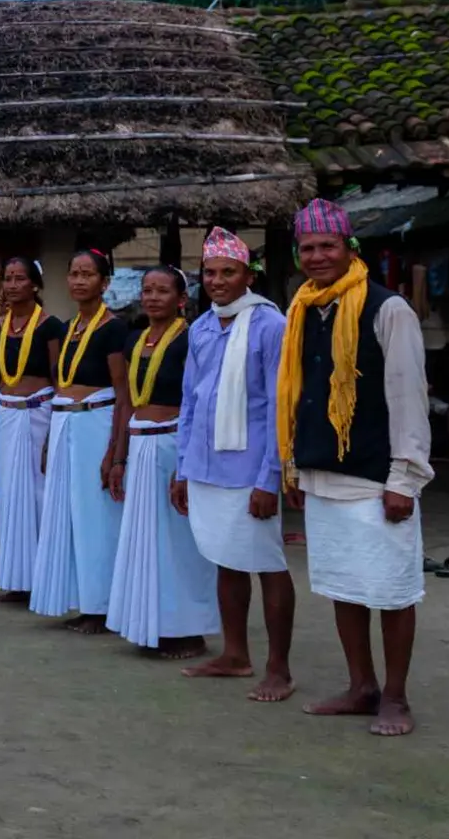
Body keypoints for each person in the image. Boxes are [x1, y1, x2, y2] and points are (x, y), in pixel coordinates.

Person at [279, 198, 431, 737]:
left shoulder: (388, 309)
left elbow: (408, 396)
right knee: (344, 586)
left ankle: (395, 696)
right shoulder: (303, 310)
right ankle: (360, 685)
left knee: (391, 589)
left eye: (328, 246)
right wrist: (296, 467)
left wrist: (404, 479)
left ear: (350, 248)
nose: (317, 256)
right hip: (324, 473)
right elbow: (300, 397)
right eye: (308, 248)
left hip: (376, 477)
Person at [171, 227, 297, 701]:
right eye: (209, 272)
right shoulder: (202, 326)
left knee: (266, 562)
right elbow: (191, 401)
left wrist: (270, 478)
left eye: (228, 272)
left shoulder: (270, 325)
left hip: (250, 471)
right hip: (205, 467)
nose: (217, 281)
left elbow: (280, 406)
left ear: (249, 274)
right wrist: (183, 468)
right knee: (226, 559)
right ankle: (236, 655)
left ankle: (279, 669)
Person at [106, 268, 216, 659]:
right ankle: (151, 624)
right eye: (147, 290)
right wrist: (118, 457)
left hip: (173, 445)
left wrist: (186, 463)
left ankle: (189, 630)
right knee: (145, 539)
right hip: (139, 445)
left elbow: (201, 404)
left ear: (181, 299)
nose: (153, 297)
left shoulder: (193, 339)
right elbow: (125, 402)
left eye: (162, 291)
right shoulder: (134, 340)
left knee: (179, 541)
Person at [31, 249, 130, 635]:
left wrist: (114, 450)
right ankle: (81, 600)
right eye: (73, 274)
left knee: (96, 516)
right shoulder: (69, 327)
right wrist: (48, 438)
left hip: (96, 423)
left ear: (104, 283)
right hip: (64, 424)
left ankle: (102, 606)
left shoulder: (114, 329)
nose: (78, 281)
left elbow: (123, 393)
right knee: (68, 514)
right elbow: (61, 384)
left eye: (87, 275)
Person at [0, 256, 65, 603]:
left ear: (35, 285)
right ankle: (16, 579)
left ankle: (41, 577)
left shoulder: (49, 327)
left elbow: (59, 379)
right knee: (9, 494)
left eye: (20, 278)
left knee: (38, 494)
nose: (13, 284)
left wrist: (54, 432)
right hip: (6, 414)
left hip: (39, 412)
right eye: (7, 278)